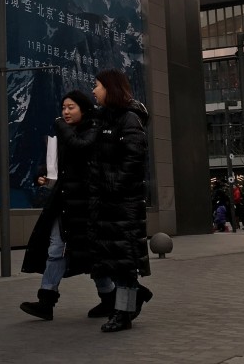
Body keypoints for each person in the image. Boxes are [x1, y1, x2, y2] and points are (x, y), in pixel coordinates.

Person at [19, 90, 115, 320]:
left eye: (71, 107)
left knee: (88, 253)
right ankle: (47, 301)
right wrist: (42, 174)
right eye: (63, 108)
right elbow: (61, 166)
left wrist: (61, 127)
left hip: (84, 206)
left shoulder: (92, 129)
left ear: (83, 109)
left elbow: (80, 147)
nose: (65, 112)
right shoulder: (69, 133)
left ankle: (109, 298)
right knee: (58, 249)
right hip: (65, 202)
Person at [90, 68, 153, 333]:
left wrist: (112, 185)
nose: (94, 90)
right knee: (113, 259)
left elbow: (134, 160)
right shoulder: (105, 118)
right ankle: (132, 299)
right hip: (107, 201)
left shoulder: (129, 119)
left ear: (111, 88)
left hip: (123, 203)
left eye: (98, 85)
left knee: (124, 261)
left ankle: (123, 313)